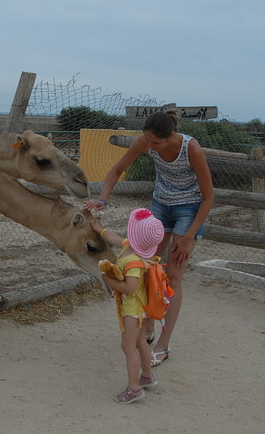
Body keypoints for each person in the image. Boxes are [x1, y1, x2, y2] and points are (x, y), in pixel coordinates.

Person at [85, 111, 214, 367]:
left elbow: (209, 197)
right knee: (148, 265)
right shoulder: (145, 141)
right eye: (148, 142)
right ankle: (149, 329)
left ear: (171, 137)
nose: (150, 147)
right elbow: (117, 168)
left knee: (174, 275)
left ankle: (164, 345)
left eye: (155, 143)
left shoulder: (192, 149)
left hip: (189, 210)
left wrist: (189, 237)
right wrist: (103, 198)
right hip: (160, 206)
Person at [92, 208, 165, 404]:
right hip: (141, 309)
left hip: (133, 310)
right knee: (141, 340)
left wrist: (108, 280)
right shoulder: (131, 248)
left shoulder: (133, 261)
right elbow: (114, 238)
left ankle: (133, 389)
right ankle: (147, 376)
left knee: (128, 346)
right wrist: (100, 230)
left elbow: (129, 287)